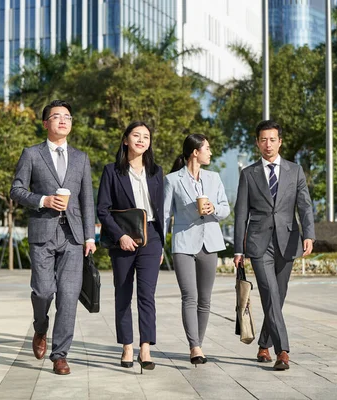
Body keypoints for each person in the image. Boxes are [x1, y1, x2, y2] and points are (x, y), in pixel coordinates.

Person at [10, 99, 96, 375]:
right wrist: (44, 200)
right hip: (42, 232)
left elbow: (87, 200)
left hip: (73, 236)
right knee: (44, 290)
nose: (63, 121)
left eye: (68, 117)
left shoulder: (81, 158)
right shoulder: (32, 154)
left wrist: (90, 236)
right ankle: (40, 327)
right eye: (57, 116)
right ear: (45, 123)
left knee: (69, 297)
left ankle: (60, 354)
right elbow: (17, 190)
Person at [233, 120, 315, 371]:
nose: (268, 144)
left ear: (280, 141)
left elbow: (305, 205)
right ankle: (283, 351)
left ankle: (263, 344)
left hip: (288, 240)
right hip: (259, 244)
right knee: (269, 292)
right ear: (257, 143)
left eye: (272, 139)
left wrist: (308, 234)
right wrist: (238, 248)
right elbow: (240, 213)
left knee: (278, 296)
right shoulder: (248, 173)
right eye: (263, 140)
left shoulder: (295, 170)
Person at [97, 121, 164, 373]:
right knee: (123, 294)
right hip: (122, 241)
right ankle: (127, 345)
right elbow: (102, 209)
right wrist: (120, 236)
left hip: (152, 239)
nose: (141, 140)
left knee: (147, 295)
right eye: (136, 135)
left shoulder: (156, 172)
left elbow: (161, 211)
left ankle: (145, 347)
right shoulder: (112, 171)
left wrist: (161, 246)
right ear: (125, 140)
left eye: (146, 137)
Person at [163, 134, 230, 365]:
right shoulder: (172, 180)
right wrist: (160, 246)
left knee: (205, 299)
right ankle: (195, 346)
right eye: (207, 149)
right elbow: (164, 216)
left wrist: (213, 209)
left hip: (210, 243)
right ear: (195, 152)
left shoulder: (214, 178)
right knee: (189, 296)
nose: (210, 153)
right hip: (183, 244)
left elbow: (225, 209)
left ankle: (197, 343)